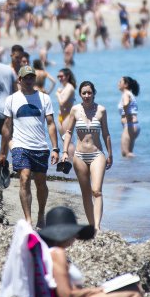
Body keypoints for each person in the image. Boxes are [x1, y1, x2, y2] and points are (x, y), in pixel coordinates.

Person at [40, 206, 143, 297]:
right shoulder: (57, 254)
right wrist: (96, 290)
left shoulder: (51, 253)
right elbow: (66, 296)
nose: (76, 236)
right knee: (134, 292)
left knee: (134, 288)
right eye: (74, 232)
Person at [0, 65, 60, 227]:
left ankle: (41, 214)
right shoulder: (11, 99)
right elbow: (6, 127)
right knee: (24, 178)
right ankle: (28, 219)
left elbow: (51, 124)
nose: (29, 80)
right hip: (20, 145)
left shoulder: (44, 98)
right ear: (19, 80)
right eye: (25, 77)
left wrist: (55, 148)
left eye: (31, 77)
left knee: (41, 182)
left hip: (40, 146)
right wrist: (3, 152)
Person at [60, 81, 113, 230]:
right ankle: (91, 226)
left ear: (94, 93)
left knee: (96, 191)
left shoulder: (101, 110)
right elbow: (68, 132)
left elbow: (106, 133)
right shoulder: (75, 110)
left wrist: (110, 154)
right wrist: (64, 152)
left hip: (97, 155)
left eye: (89, 92)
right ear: (80, 95)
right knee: (85, 193)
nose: (87, 95)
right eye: (84, 93)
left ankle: (97, 226)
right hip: (79, 156)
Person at [117, 76, 140, 157]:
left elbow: (126, 104)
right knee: (129, 152)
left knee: (125, 153)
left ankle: (140, 166)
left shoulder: (126, 94)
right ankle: (133, 168)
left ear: (126, 84)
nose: (118, 84)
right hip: (133, 125)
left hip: (130, 125)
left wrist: (127, 115)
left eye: (120, 82)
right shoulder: (129, 94)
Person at [56, 68, 76, 132]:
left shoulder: (69, 87)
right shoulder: (64, 88)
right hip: (61, 116)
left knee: (67, 139)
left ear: (67, 76)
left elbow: (62, 103)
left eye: (61, 76)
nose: (59, 78)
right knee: (63, 139)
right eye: (58, 76)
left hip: (67, 116)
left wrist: (58, 94)